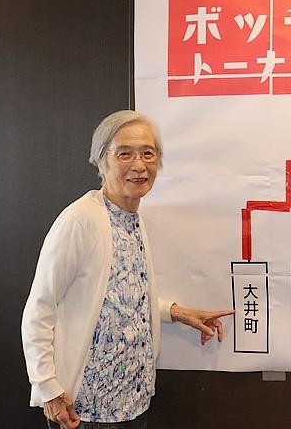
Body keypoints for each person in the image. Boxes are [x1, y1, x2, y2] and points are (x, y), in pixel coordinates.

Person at [21, 110, 234, 428]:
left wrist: (175, 313)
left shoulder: (133, 219)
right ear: (100, 161)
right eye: (124, 154)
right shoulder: (80, 220)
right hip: (86, 410)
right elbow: (40, 308)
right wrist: (48, 389)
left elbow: (119, 298)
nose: (139, 165)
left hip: (134, 401)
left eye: (148, 153)